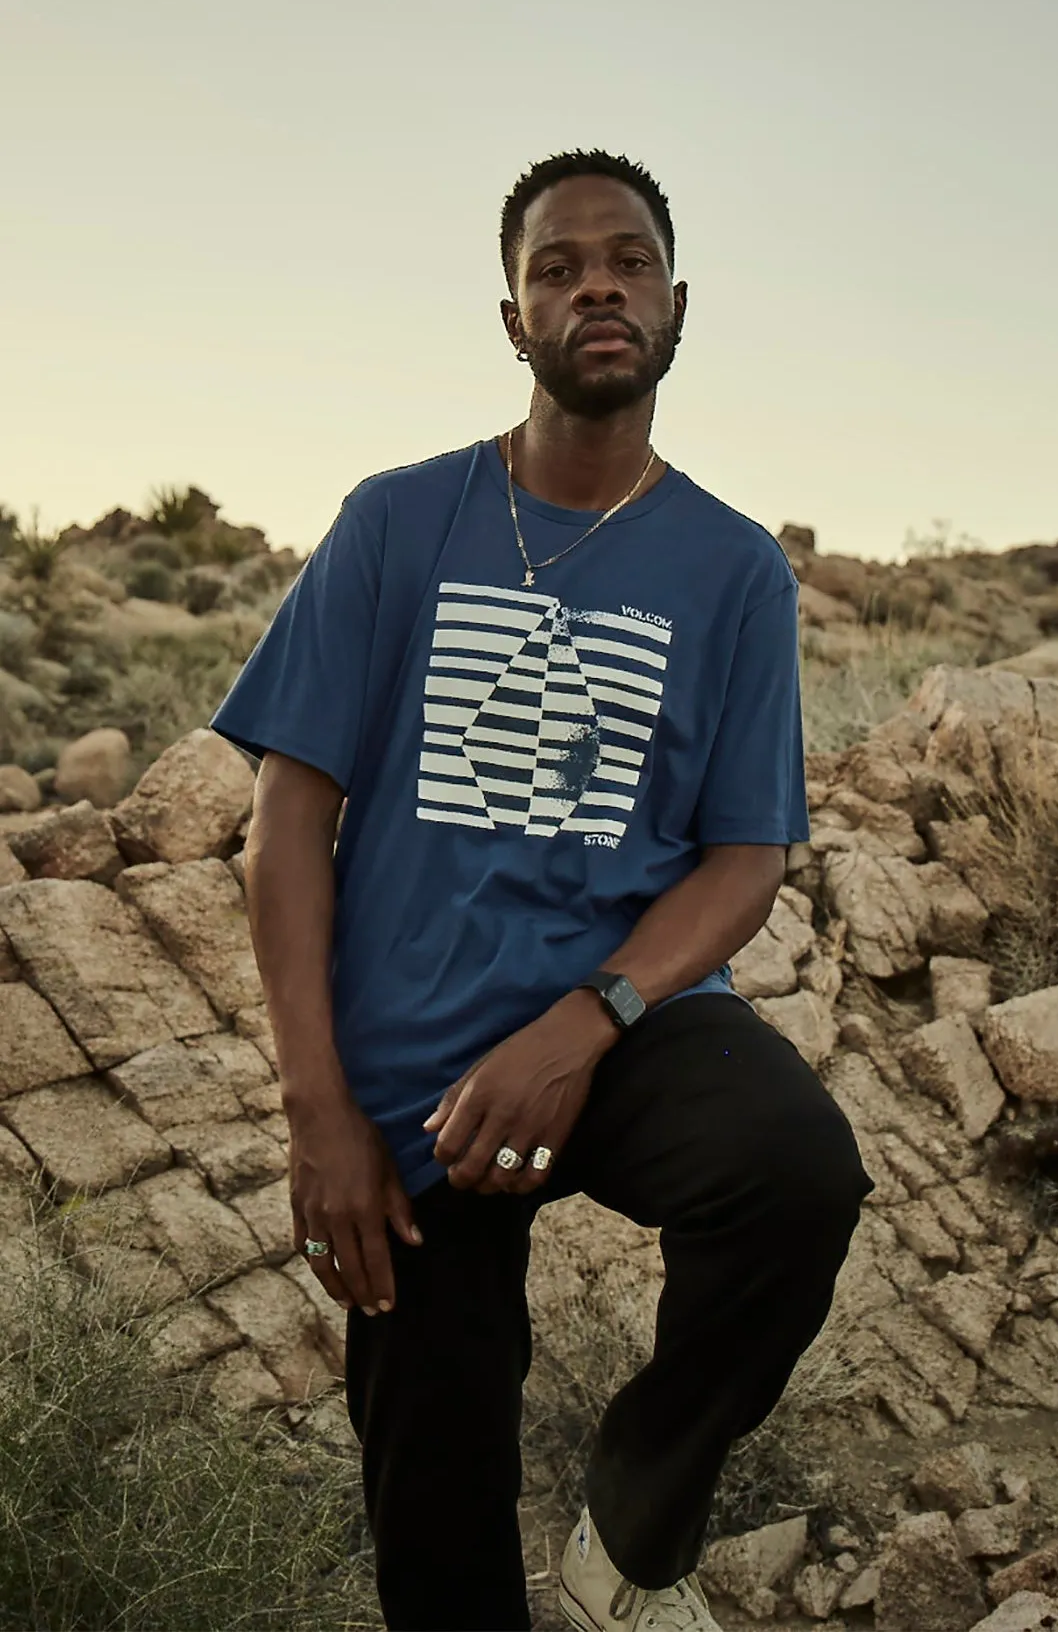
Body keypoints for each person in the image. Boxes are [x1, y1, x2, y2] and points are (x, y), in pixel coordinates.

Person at [214, 150, 871, 1632]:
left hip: (623, 1026)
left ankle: (633, 1531)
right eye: (559, 266)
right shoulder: (395, 524)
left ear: (678, 303)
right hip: (410, 1090)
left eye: (628, 261)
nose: (598, 287)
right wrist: (320, 1114)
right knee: (434, 1518)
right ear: (512, 319)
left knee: (796, 1173)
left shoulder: (732, 569)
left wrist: (590, 1018)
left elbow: (747, 856)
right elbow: (284, 827)